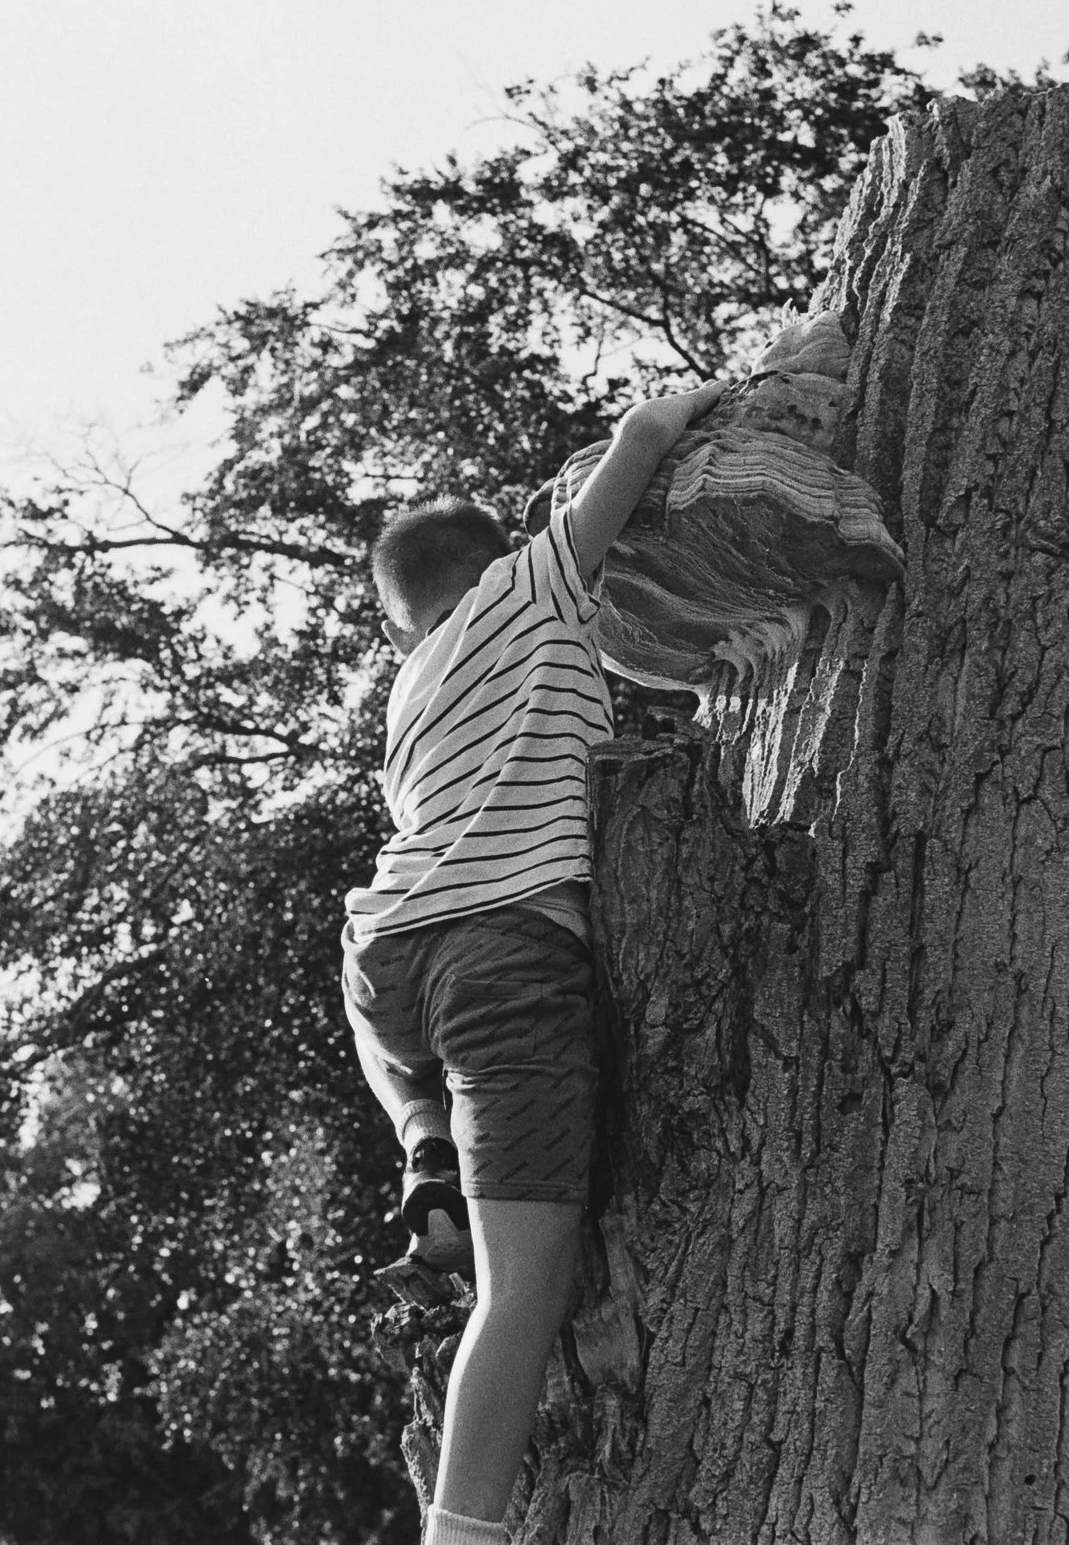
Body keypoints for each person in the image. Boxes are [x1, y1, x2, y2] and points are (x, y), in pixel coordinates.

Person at [343, 378, 728, 1545]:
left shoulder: (409, 693)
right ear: (496, 559)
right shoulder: (530, 585)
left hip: (387, 951)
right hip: (504, 954)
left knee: (383, 1009)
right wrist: (721, 391)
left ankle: (423, 1145)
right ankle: (460, 1533)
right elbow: (646, 437)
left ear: (399, 619)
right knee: (525, 1287)